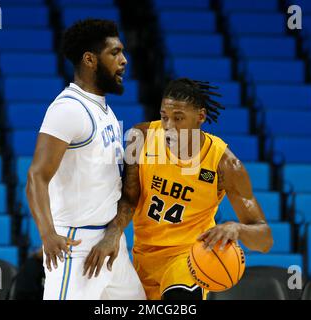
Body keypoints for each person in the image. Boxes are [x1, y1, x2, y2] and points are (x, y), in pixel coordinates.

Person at [83, 78, 274, 300]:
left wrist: (237, 228)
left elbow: (265, 240)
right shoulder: (141, 138)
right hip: (143, 255)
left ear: (200, 117)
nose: (169, 127)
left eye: (179, 118)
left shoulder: (225, 165)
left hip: (188, 259)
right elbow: (128, 198)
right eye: (165, 117)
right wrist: (113, 233)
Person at [26, 19, 145, 300]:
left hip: (110, 243)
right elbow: (36, 177)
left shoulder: (105, 111)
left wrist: (114, 234)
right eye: (114, 53)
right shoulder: (68, 110)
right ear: (90, 59)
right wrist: (48, 235)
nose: (124, 60)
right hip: (76, 247)